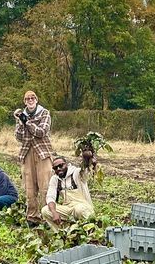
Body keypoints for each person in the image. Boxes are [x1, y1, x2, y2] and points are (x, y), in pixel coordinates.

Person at [14, 90, 54, 226]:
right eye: (27, 99)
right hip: (27, 152)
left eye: (32, 98)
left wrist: (27, 122)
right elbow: (18, 137)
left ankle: (47, 216)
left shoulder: (45, 113)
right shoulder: (21, 116)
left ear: (36, 100)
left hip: (42, 152)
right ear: (24, 101)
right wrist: (20, 122)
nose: (30, 100)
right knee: (29, 188)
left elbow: (41, 132)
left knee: (45, 186)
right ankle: (32, 217)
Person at [41, 154, 95, 229]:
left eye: (61, 165)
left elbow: (85, 171)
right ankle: (62, 233)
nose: (59, 168)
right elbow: (50, 197)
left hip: (83, 206)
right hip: (67, 207)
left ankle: (89, 233)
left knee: (79, 210)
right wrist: (54, 213)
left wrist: (87, 159)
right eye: (56, 168)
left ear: (66, 164)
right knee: (45, 210)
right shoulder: (55, 179)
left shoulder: (76, 173)